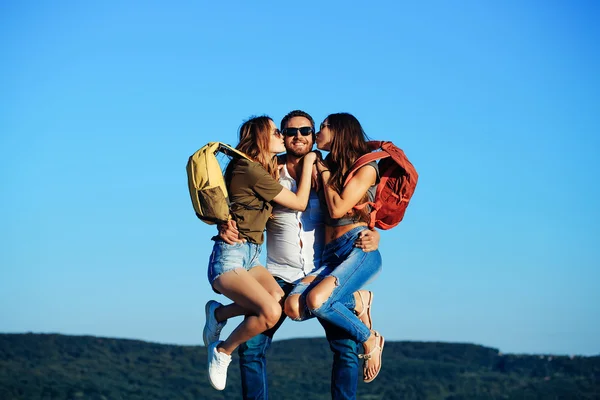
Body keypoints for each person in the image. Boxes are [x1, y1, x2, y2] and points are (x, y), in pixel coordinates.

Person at [210, 110, 380, 399]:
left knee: (346, 347)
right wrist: (222, 223)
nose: (298, 136)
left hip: (322, 271)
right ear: (283, 137)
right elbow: (232, 201)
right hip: (276, 273)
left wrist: (374, 235)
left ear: (313, 136)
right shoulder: (266, 171)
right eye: (289, 132)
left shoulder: (332, 172)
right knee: (251, 349)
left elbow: (359, 211)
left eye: (305, 131)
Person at [203, 115, 317, 391]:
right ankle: (223, 351)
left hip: (251, 255)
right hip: (231, 256)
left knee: (277, 300)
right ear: (261, 138)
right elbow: (299, 202)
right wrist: (311, 160)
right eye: (277, 132)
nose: (282, 135)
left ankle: (218, 315)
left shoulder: (260, 169)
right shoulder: (250, 169)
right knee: (269, 312)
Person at [284, 112, 384, 383]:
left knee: (318, 301)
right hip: (330, 253)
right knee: (294, 306)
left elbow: (339, 207)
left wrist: (323, 169)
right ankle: (359, 300)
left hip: (357, 248)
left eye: (324, 127)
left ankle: (370, 339)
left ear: (339, 132)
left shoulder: (366, 167)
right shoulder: (323, 162)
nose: (317, 132)